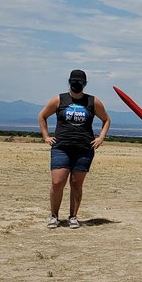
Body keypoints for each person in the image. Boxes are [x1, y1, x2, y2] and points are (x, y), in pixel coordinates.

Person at [38, 69, 110, 229]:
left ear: (85, 84)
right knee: (58, 182)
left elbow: (106, 119)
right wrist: (46, 136)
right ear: (69, 82)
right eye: (74, 82)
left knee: (76, 183)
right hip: (61, 147)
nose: (76, 84)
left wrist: (101, 137)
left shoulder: (93, 101)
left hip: (84, 148)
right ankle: (54, 216)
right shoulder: (59, 100)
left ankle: (73, 217)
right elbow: (42, 116)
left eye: (80, 82)